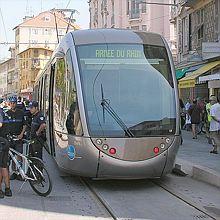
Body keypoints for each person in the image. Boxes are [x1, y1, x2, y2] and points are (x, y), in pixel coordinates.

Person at [5, 96, 27, 180]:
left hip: (19, 137)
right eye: (11, 103)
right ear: (9, 104)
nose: (12, 104)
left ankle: (19, 172)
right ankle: (14, 172)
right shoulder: (6, 113)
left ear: (16, 103)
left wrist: (21, 134)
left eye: (14, 103)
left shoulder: (21, 112)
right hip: (10, 138)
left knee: (19, 155)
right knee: (11, 156)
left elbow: (24, 125)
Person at [0, 107, 12, 198]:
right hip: (5, 141)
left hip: (1, 142)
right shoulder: (3, 112)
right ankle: (8, 190)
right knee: (4, 167)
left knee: (1, 167)